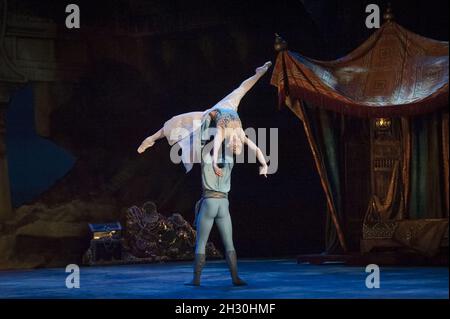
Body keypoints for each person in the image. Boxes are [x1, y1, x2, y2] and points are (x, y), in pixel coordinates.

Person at [138, 61, 272, 286]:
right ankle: (232, 277)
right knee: (180, 123)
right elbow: (225, 143)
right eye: (237, 147)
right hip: (222, 202)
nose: (238, 149)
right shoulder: (224, 156)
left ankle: (203, 278)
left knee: (205, 242)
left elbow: (250, 146)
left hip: (213, 203)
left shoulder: (220, 154)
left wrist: (264, 164)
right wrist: (262, 164)